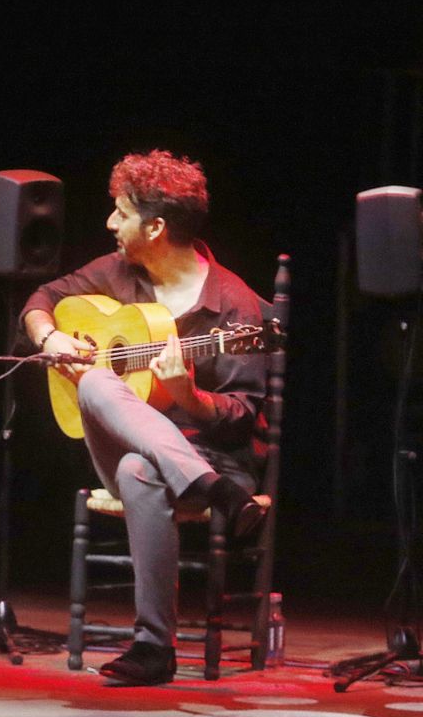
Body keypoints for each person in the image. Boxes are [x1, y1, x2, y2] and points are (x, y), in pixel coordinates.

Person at [21, 149, 266, 686]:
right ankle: (212, 492)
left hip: (213, 456)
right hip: (196, 475)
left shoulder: (234, 306)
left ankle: (154, 648)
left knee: (139, 471)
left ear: (155, 226)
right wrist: (51, 335)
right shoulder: (117, 273)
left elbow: (242, 419)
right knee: (98, 380)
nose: (110, 223)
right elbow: (41, 298)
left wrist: (188, 395)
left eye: (121, 213)